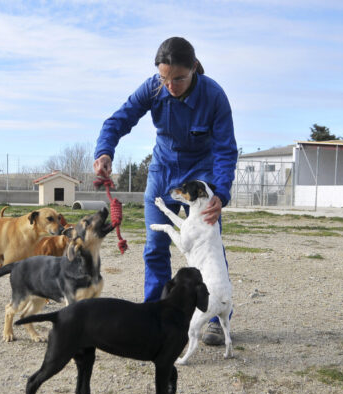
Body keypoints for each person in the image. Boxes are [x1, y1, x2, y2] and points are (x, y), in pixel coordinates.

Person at [93, 37, 238, 346]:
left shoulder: (214, 96)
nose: (170, 85)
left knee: (208, 248)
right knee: (156, 244)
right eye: (164, 78)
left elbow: (226, 150)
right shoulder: (153, 88)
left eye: (179, 79)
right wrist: (104, 152)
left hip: (202, 175)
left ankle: (213, 316)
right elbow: (119, 120)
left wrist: (221, 193)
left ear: (194, 69)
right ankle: (154, 314)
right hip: (164, 172)